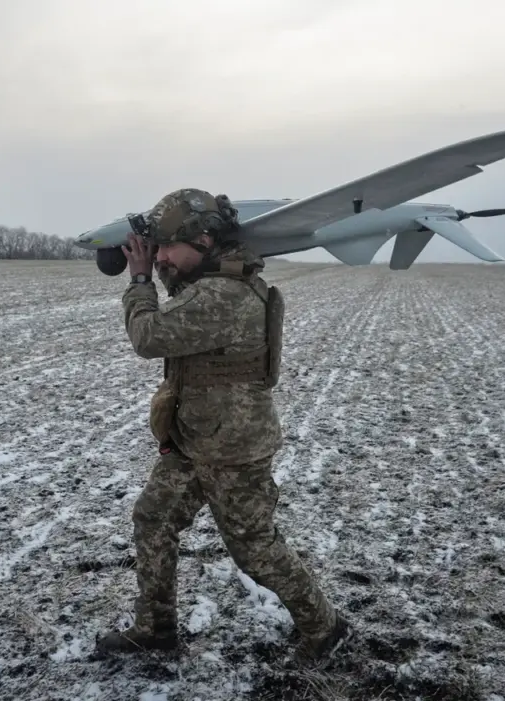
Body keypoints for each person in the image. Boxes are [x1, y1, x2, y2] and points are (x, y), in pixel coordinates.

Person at [93, 188, 351, 664]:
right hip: (195, 439)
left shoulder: (223, 295)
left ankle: (326, 627)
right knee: (153, 519)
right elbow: (180, 297)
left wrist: (140, 279)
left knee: (255, 551)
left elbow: (148, 335)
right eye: (158, 248)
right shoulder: (214, 281)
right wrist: (158, 264)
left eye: (169, 246)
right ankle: (156, 628)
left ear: (206, 241)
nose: (161, 256)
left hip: (233, 449)